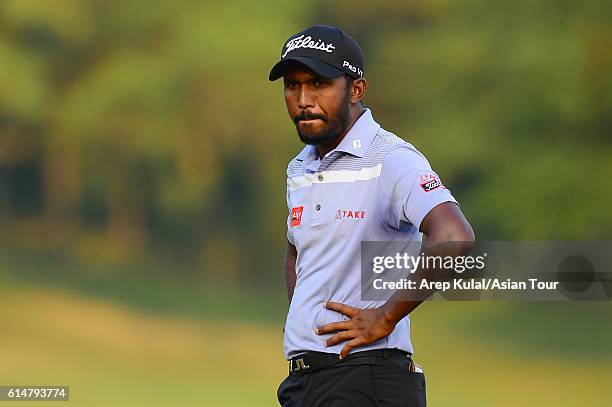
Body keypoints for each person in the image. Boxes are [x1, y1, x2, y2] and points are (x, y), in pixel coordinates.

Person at [269, 25, 475, 407]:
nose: (302, 99)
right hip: (304, 383)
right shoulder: (300, 168)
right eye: (293, 86)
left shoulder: (391, 159)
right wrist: (301, 317)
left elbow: (453, 236)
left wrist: (384, 317)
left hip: (366, 379)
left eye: (318, 84)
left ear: (356, 90)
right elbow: (296, 251)